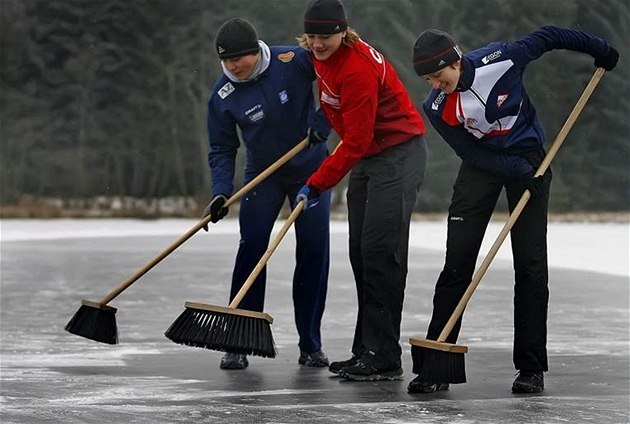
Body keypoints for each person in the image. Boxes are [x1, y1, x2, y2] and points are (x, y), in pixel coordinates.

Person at [408, 26, 618, 393]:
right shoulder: (436, 106)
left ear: (456, 62)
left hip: (530, 158)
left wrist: (598, 49)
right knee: (457, 263)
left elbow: (550, 36)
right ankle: (435, 366)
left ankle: (531, 368)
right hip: (482, 167)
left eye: (439, 76)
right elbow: (470, 152)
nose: (435, 84)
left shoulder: (503, 58)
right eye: (428, 79)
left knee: (531, 265)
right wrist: (518, 173)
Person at [295, 0, 428, 381]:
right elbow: (334, 104)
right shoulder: (321, 56)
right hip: (372, 154)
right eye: (312, 36)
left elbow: (355, 140)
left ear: (342, 31)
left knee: (379, 251)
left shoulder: (357, 69)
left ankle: (384, 357)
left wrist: (317, 182)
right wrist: (320, 121)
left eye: (326, 36)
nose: (318, 44)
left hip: (398, 152)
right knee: (360, 253)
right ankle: (366, 350)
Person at [204, 17, 333, 370]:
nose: (232, 67)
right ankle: (239, 338)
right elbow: (221, 149)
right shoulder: (223, 95)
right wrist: (220, 192)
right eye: (226, 61)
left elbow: (334, 79)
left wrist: (325, 119)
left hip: (311, 167)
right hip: (263, 174)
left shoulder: (294, 60)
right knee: (253, 244)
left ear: (254, 51)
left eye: (238, 60)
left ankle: (310, 343)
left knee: (313, 248)